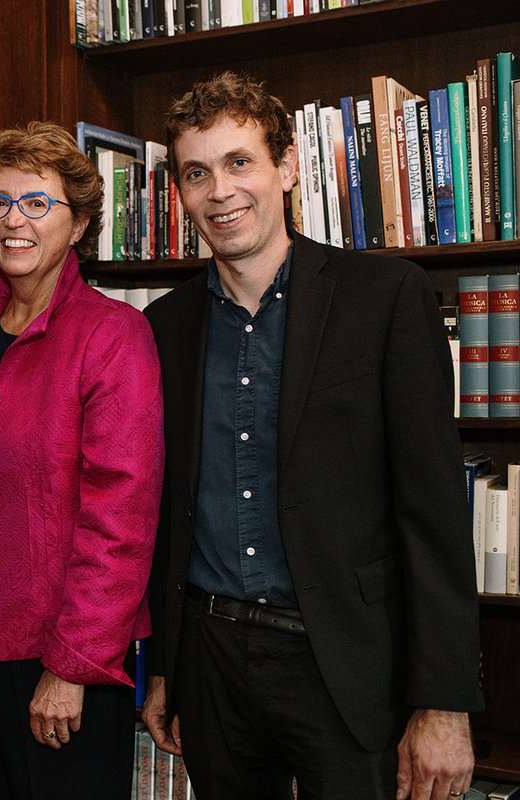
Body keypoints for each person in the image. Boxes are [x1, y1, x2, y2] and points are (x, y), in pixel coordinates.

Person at [141, 72, 483, 800]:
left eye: (240, 163)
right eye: (197, 173)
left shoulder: (386, 299)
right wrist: (167, 665)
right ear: (180, 192)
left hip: (344, 663)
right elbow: (167, 510)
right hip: (211, 662)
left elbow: (434, 513)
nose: (220, 191)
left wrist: (443, 701)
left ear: (288, 167)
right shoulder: (162, 329)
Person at [0, 121, 164, 799]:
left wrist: (74, 665)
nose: (14, 221)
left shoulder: (113, 337)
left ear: (81, 222)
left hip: (58, 652)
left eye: (38, 203)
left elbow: (120, 520)